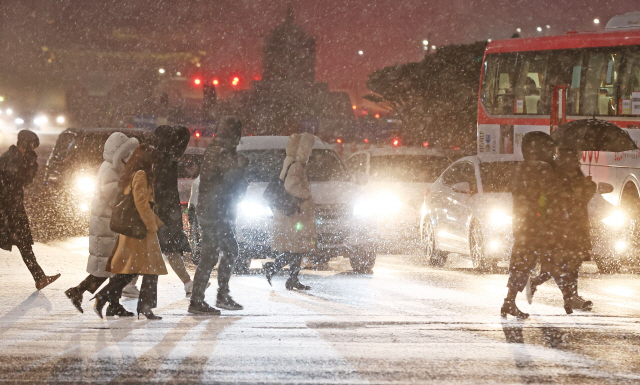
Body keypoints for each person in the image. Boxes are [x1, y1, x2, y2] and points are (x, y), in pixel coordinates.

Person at [65, 132, 139, 314]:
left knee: (109, 269)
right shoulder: (109, 170)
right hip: (106, 226)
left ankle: (86, 294)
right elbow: (115, 198)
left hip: (110, 225)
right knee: (114, 268)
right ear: (118, 153)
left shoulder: (116, 169)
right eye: (126, 153)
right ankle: (107, 302)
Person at [92, 144, 167, 320]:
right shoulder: (141, 175)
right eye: (154, 161)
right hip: (139, 231)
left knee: (131, 271)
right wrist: (153, 226)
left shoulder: (132, 173)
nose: (155, 165)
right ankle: (144, 307)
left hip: (135, 229)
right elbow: (141, 203)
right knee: (148, 269)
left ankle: (106, 298)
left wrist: (157, 223)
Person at [188, 116, 248, 315]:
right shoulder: (221, 153)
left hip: (214, 210)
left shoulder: (217, 151)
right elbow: (231, 176)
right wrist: (241, 164)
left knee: (218, 253)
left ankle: (212, 296)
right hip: (214, 211)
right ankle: (205, 298)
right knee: (219, 253)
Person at [501, 131, 564, 319]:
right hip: (537, 225)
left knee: (522, 262)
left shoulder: (520, 168)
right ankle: (511, 300)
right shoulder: (544, 169)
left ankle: (509, 300)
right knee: (548, 261)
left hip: (523, 224)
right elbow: (549, 196)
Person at [526, 147, 596, 313]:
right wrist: (586, 188)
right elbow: (569, 199)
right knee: (561, 263)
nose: (577, 162)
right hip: (564, 226)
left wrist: (588, 186)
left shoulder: (574, 174)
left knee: (570, 262)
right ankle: (570, 297)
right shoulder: (560, 176)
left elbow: (581, 199)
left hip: (575, 225)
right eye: (575, 160)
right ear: (567, 160)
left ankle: (568, 295)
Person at [0, 130, 60, 290]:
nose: (34, 149)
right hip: (5, 209)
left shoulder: (23, 160)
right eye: (33, 145)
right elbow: (11, 183)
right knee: (22, 242)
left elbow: (25, 182)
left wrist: (31, 165)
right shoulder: (8, 158)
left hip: (14, 208)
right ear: (25, 143)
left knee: (24, 243)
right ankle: (40, 277)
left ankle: (40, 278)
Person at [264, 133, 316, 290]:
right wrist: (306, 194)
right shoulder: (297, 165)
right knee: (295, 249)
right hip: (295, 215)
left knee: (296, 249)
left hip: (290, 213)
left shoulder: (289, 162)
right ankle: (273, 268)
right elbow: (291, 186)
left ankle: (292, 279)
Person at [153, 125, 198, 296]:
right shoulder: (164, 161)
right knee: (168, 249)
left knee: (152, 249)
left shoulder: (160, 159)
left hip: (163, 211)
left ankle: (188, 283)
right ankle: (188, 283)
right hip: (164, 212)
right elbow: (161, 191)